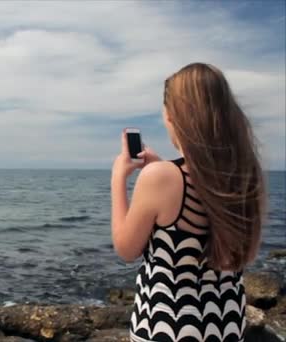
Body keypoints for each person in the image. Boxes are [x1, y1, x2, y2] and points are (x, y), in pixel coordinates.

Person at [111, 63, 265, 341]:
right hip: (227, 325)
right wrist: (164, 169)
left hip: (167, 327)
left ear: (172, 117)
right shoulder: (244, 176)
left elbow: (126, 248)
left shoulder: (160, 178)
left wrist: (118, 178)